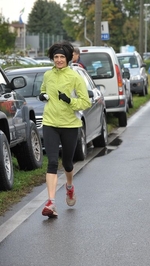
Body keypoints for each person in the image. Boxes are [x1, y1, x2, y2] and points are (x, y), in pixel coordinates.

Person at [39, 41, 91, 218]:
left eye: (62, 57)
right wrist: (42, 95)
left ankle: (69, 187)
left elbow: (85, 102)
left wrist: (69, 100)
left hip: (70, 125)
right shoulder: (47, 75)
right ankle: (51, 202)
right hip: (50, 123)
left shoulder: (75, 77)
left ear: (68, 58)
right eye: (56, 57)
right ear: (52, 58)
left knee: (67, 163)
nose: (59, 60)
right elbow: (44, 90)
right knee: (52, 161)